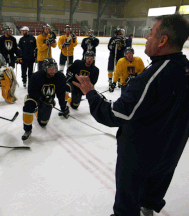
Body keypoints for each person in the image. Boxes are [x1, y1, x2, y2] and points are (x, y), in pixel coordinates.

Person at [72, 14, 189, 216]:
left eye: (151, 34)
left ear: (163, 41)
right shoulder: (185, 69)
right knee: (155, 185)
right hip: (170, 152)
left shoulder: (150, 78)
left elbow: (113, 115)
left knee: (127, 203)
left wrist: (90, 93)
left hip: (139, 157)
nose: (147, 38)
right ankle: (148, 205)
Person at [22, 58, 69, 140]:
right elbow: (31, 91)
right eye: (50, 68)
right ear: (44, 68)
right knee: (28, 105)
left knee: (43, 123)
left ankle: (37, 111)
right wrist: (41, 98)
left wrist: (63, 108)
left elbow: (61, 94)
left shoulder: (60, 77)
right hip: (35, 98)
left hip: (48, 100)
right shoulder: (36, 76)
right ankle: (27, 129)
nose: (52, 70)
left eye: (54, 68)